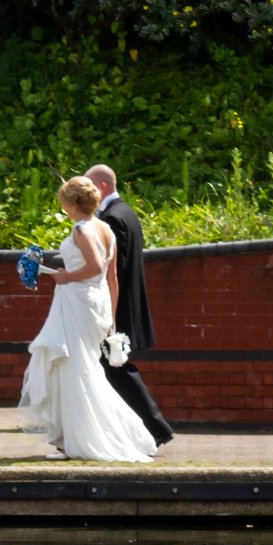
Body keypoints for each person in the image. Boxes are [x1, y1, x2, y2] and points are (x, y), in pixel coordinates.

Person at [19, 176, 157, 462]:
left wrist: (62, 276)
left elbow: (94, 266)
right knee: (85, 370)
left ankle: (78, 441)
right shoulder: (105, 228)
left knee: (74, 371)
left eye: (63, 202)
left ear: (70, 204)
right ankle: (78, 438)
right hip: (98, 305)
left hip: (78, 303)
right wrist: (111, 319)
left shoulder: (82, 229)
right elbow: (112, 277)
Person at [86, 164, 175, 446]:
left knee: (117, 369)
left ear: (101, 187)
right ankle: (136, 430)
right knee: (113, 368)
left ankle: (156, 428)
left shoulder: (111, 219)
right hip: (125, 306)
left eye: (89, 188)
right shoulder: (126, 213)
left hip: (116, 309)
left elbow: (112, 272)